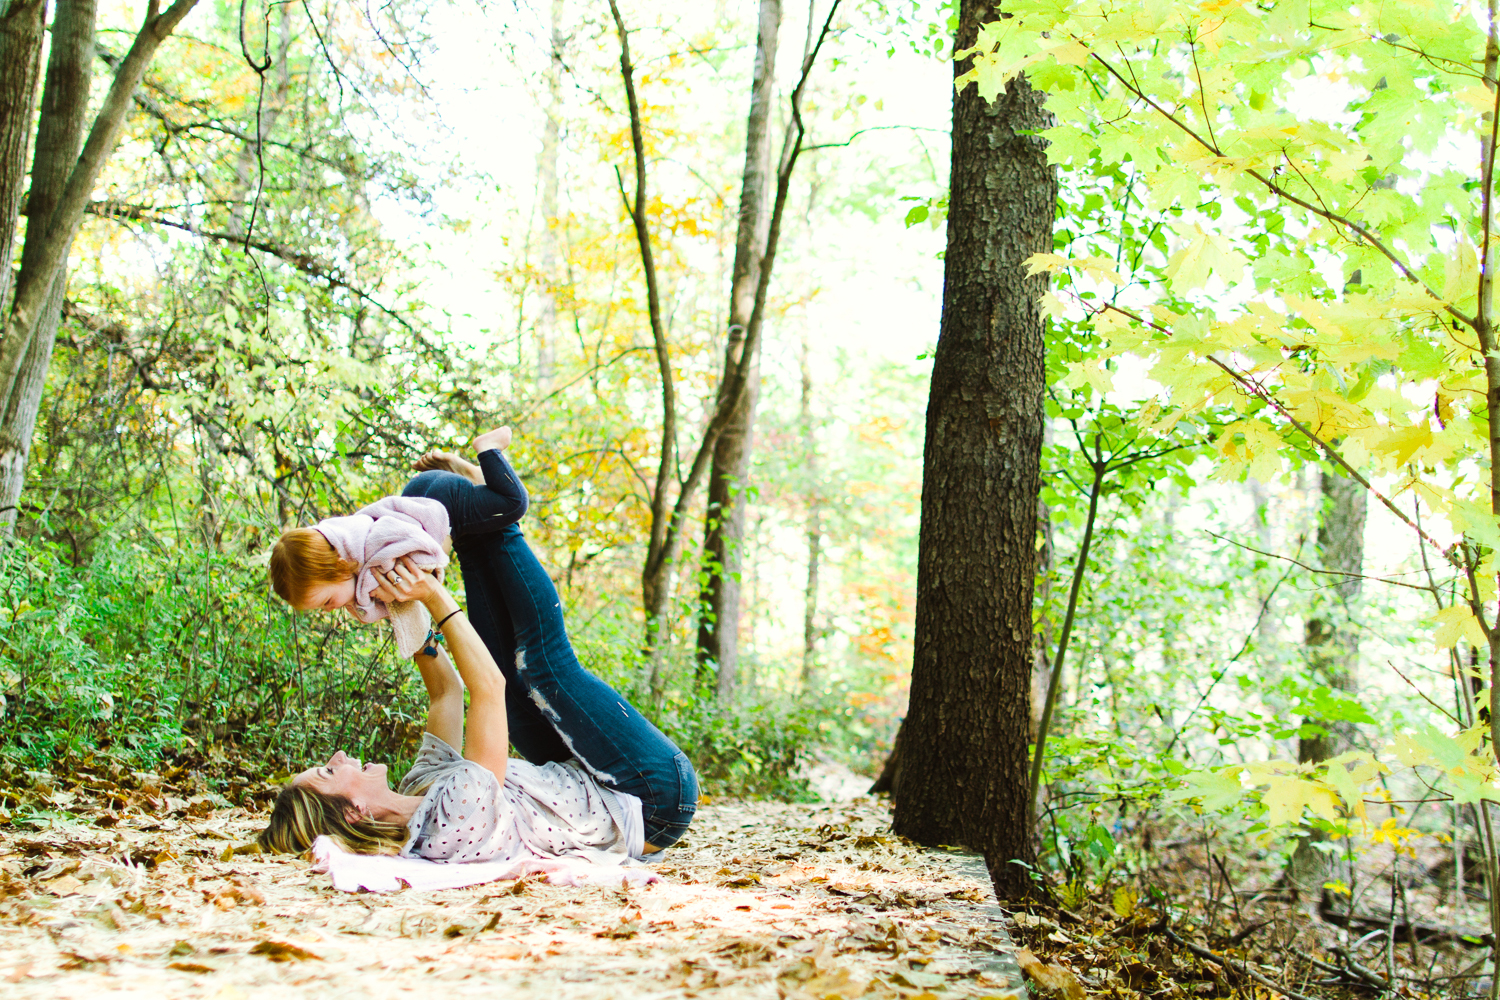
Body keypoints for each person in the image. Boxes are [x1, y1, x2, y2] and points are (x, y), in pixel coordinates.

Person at [258, 430, 697, 861]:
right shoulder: (453, 816)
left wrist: (404, 610)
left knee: (512, 674)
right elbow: (487, 686)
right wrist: (431, 595)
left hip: (583, 779)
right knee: (541, 666)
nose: (337, 756)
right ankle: (494, 509)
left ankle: (467, 517)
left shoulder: (418, 789)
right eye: (329, 771)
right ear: (354, 814)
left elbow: (445, 691)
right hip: (651, 797)